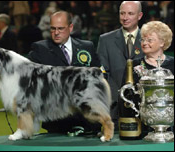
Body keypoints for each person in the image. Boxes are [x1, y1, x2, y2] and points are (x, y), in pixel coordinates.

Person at [28, 11, 101, 134]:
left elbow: (99, 76)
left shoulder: (87, 47)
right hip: (57, 123)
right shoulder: (40, 49)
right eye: (53, 29)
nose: (56, 33)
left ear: (70, 27)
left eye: (60, 28)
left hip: (89, 121)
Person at [96, 1, 145, 130]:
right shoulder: (105, 40)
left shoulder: (148, 39)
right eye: (122, 13)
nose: (125, 17)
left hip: (143, 107)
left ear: (139, 16)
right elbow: (102, 74)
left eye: (130, 13)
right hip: (113, 108)